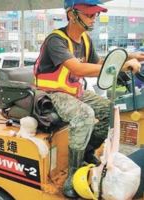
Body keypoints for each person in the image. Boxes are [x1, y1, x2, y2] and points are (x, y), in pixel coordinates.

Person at [34, 0, 143, 198]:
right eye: (89, 14)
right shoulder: (55, 40)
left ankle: (85, 152)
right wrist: (122, 67)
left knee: (110, 110)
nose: (94, 19)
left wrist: (132, 56)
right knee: (85, 115)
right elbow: (78, 68)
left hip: (74, 92)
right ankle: (72, 176)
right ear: (71, 14)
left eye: (96, 15)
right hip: (50, 94)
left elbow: (98, 63)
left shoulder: (85, 39)